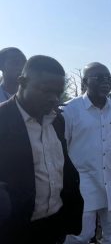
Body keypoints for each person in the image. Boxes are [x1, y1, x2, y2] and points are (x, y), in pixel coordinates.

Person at [0, 55, 83, 243]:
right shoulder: (2, 120)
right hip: (15, 229)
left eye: (58, 93)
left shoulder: (57, 121)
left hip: (55, 223)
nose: (54, 99)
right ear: (22, 82)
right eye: (46, 91)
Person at [63, 62, 111, 244]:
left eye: (108, 78)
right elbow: (61, 151)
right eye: (99, 78)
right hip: (82, 185)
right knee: (80, 236)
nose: (106, 82)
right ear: (85, 81)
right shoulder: (69, 110)